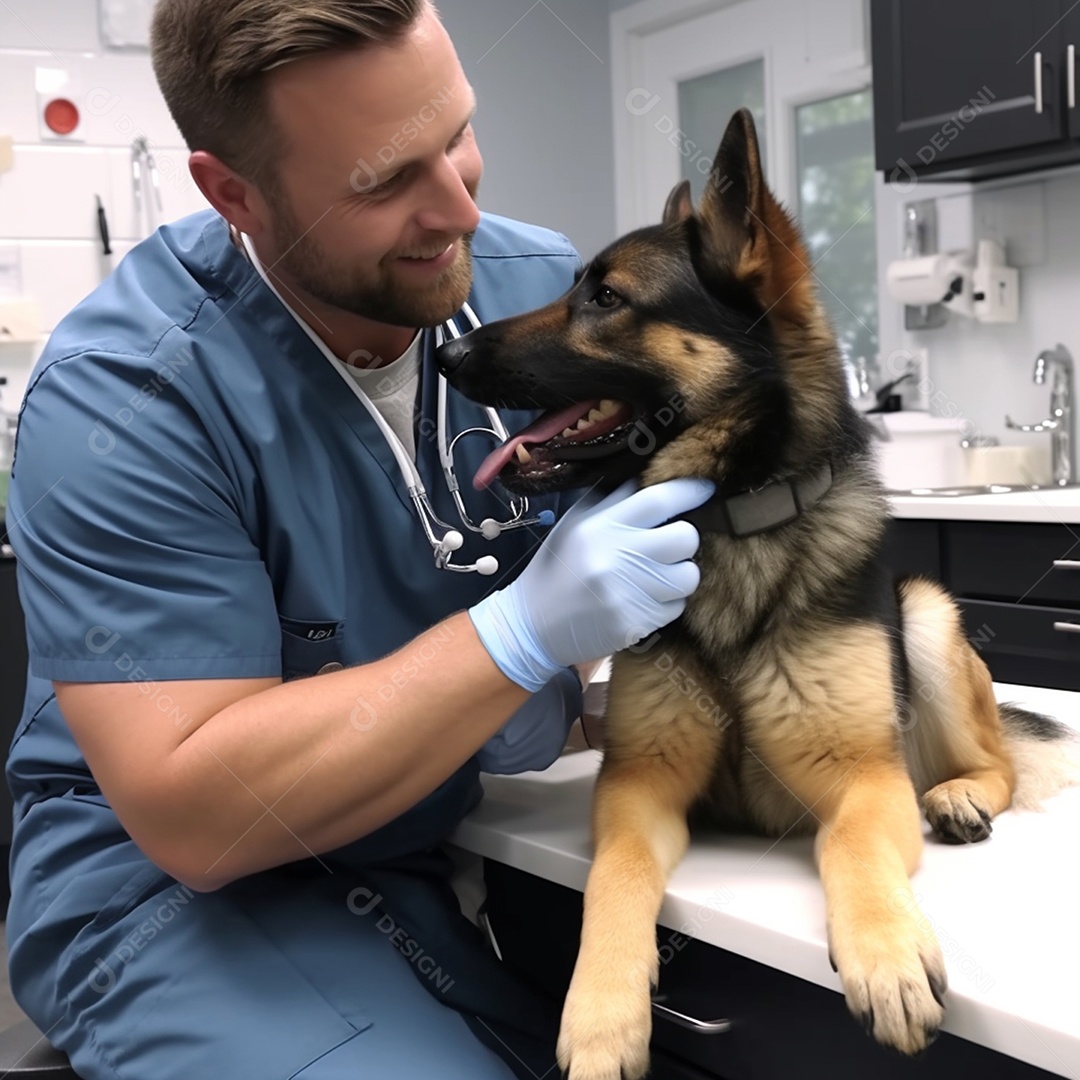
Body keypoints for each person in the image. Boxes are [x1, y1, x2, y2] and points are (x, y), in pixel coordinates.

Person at [4, 2, 713, 1077]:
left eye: (457, 134)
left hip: (447, 827)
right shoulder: (126, 401)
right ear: (232, 192)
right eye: (383, 182)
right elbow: (200, 816)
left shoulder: (537, 292)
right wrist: (518, 637)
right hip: (175, 896)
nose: (457, 207)